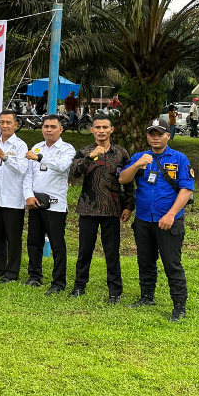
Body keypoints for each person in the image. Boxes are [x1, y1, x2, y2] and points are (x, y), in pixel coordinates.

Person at [119, 118, 194, 321]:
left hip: (169, 220)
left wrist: (171, 214)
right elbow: (123, 179)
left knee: (172, 264)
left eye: (160, 134)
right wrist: (137, 165)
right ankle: (147, 297)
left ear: (168, 135)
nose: (155, 138)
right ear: (147, 136)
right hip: (144, 219)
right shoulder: (139, 157)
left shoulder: (179, 158)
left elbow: (187, 189)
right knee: (145, 261)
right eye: (152, 134)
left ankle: (179, 306)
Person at [68, 114, 135, 303]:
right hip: (88, 208)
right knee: (84, 251)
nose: (101, 131)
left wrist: (129, 205)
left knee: (112, 252)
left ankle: (115, 291)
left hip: (112, 208)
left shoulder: (121, 153)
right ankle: (79, 286)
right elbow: (74, 173)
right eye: (97, 127)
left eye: (105, 127)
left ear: (111, 130)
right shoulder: (84, 152)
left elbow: (129, 181)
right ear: (91, 130)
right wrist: (89, 157)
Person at [22, 114, 76, 293]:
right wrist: (29, 196)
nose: (49, 130)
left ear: (61, 129)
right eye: (46, 126)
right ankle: (34, 276)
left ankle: (58, 282)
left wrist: (39, 158)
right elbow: (28, 174)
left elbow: (62, 166)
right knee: (33, 242)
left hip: (55, 205)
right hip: (36, 202)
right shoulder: (36, 147)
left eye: (53, 127)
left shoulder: (67, 149)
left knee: (57, 245)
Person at [0, 110, 28, 283]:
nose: (5, 125)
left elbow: (22, 170)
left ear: (16, 125)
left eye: (8, 122)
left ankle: (11, 273)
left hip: (13, 199)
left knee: (13, 239)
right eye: (2, 122)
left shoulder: (21, 146)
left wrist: (5, 157)